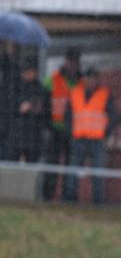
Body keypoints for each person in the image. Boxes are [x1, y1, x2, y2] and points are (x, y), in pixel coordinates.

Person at [63, 68, 117, 204]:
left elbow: (114, 116)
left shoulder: (105, 95)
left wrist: (106, 132)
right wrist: (70, 133)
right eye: (87, 78)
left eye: (93, 78)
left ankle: (98, 202)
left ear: (97, 80)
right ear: (84, 79)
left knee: (98, 173)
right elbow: (68, 116)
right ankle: (70, 200)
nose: (90, 81)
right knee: (73, 172)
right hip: (78, 139)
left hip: (97, 140)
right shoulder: (75, 93)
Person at [43, 47, 81, 201]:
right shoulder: (52, 80)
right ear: (65, 62)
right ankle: (48, 195)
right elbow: (44, 103)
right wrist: (47, 125)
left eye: (74, 62)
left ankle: (68, 197)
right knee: (52, 165)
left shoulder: (81, 82)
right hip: (55, 129)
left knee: (70, 166)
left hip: (73, 131)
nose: (72, 65)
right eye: (69, 61)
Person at [9, 57, 50, 163]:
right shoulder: (16, 88)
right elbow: (10, 108)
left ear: (35, 72)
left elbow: (46, 111)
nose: (26, 74)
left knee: (32, 165)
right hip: (18, 136)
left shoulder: (41, 89)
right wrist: (19, 108)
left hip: (34, 136)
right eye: (24, 71)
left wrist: (33, 107)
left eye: (29, 71)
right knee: (13, 166)